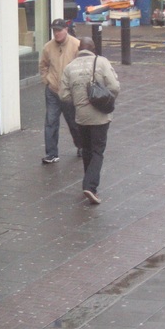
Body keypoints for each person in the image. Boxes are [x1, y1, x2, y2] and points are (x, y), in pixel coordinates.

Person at [59, 37, 120, 205]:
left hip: (81, 117)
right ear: (93, 48)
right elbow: (114, 86)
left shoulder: (70, 67)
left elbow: (63, 95)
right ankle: (90, 186)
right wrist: (107, 99)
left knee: (86, 150)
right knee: (97, 151)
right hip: (100, 116)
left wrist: (79, 100)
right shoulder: (101, 62)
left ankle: (88, 184)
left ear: (79, 48)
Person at [39, 19, 82, 164]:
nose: (56, 33)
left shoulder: (76, 45)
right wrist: (46, 80)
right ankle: (51, 153)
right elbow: (43, 65)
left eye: (59, 30)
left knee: (74, 122)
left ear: (66, 29)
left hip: (69, 92)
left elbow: (82, 67)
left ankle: (81, 146)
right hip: (52, 90)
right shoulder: (48, 47)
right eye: (54, 30)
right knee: (50, 122)